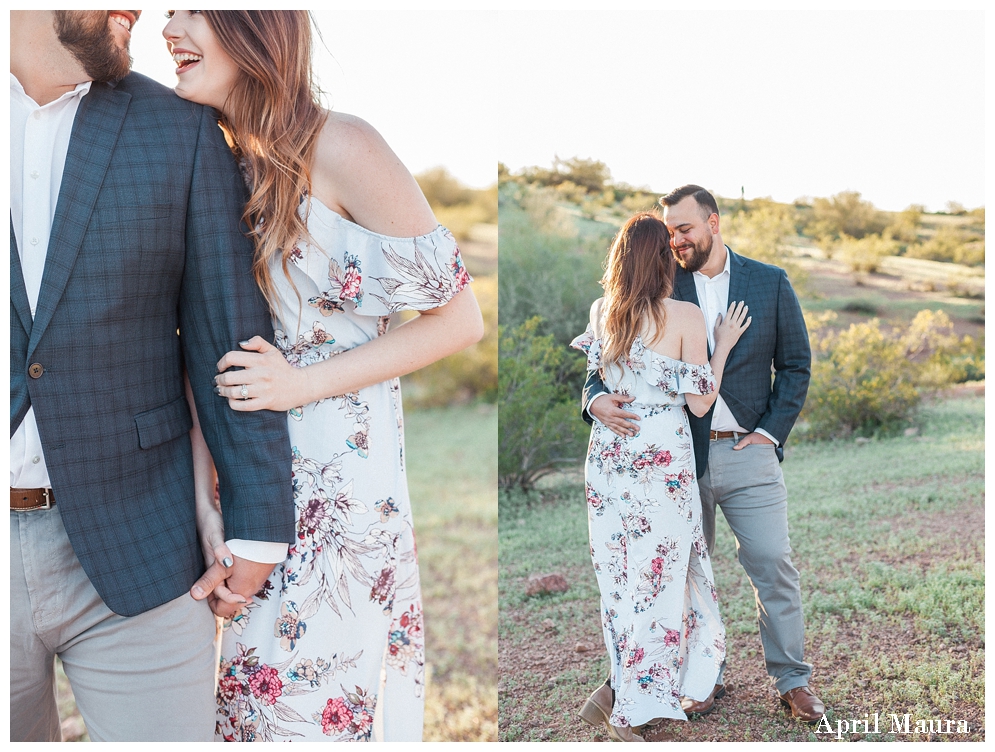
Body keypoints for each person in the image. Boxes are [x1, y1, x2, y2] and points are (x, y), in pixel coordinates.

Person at [160, 10, 484, 742]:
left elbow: (459, 321)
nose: (167, 26)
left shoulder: (343, 144)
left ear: (253, 25)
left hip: (339, 497)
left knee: (307, 718)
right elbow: (202, 351)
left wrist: (298, 385)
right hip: (236, 483)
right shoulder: (213, 158)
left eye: (190, 9)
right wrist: (207, 502)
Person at [10, 10, 294, 743]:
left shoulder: (178, 127)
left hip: (142, 540)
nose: (135, 10)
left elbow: (226, 333)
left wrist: (259, 527)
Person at [581, 185, 823, 724]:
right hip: (677, 460)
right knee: (675, 573)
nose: (676, 240)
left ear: (713, 222)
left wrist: (770, 432)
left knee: (773, 564)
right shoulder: (661, 284)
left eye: (684, 228)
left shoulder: (770, 282)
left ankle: (792, 680)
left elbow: (797, 366)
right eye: (668, 231)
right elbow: (602, 368)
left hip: (745, 453)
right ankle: (697, 682)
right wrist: (594, 400)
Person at [570, 212, 751, 741]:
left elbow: (596, 379)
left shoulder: (604, 311)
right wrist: (723, 348)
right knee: (661, 580)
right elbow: (699, 404)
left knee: (622, 580)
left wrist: (598, 399)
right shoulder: (686, 317)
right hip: (661, 462)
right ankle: (632, 708)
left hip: (608, 458)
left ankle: (622, 689)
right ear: (662, 259)